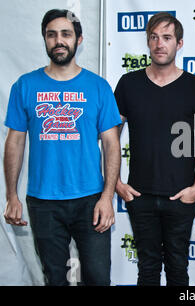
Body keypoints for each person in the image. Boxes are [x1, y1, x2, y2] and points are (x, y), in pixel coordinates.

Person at [3, 9, 122, 286]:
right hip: (43, 201)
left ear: (79, 39)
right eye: (51, 34)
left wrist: (107, 198)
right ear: (45, 39)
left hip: (90, 200)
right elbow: (15, 141)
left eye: (66, 34)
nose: (59, 40)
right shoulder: (25, 86)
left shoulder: (98, 87)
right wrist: (11, 195)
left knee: (97, 278)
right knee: (54, 278)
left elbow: (111, 144)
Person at [114, 12, 195, 286]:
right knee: (147, 268)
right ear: (147, 42)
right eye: (154, 37)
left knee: (178, 268)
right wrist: (117, 184)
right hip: (139, 196)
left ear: (179, 44)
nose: (159, 44)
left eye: (167, 38)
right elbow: (111, 139)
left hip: (181, 196)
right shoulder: (128, 84)